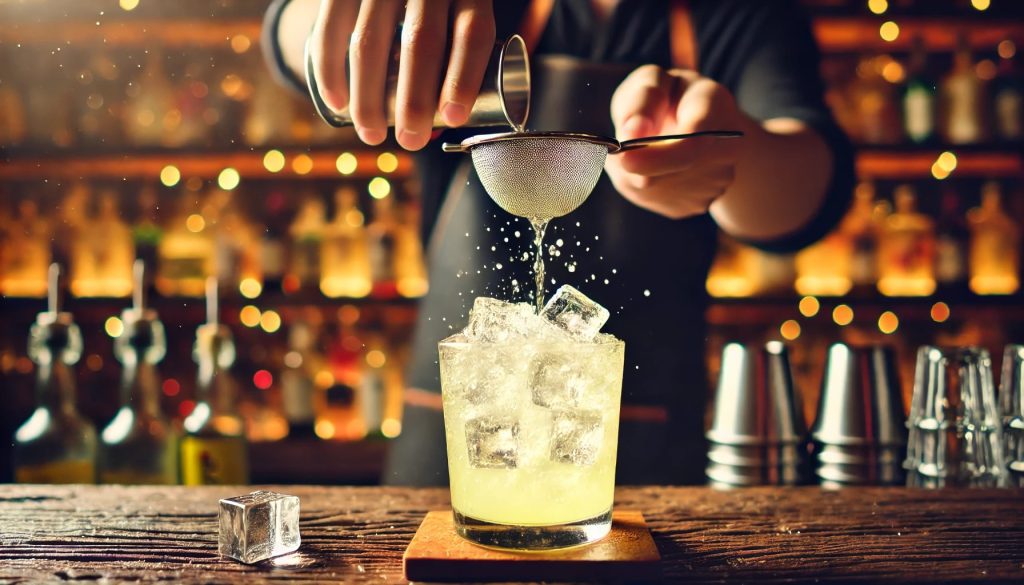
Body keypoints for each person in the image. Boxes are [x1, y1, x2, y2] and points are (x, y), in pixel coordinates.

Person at [264, 0, 854, 485]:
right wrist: (335, 20)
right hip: (456, 433)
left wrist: (735, 152)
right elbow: (289, 35)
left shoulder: (745, 18)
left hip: (639, 442)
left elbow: (812, 195)